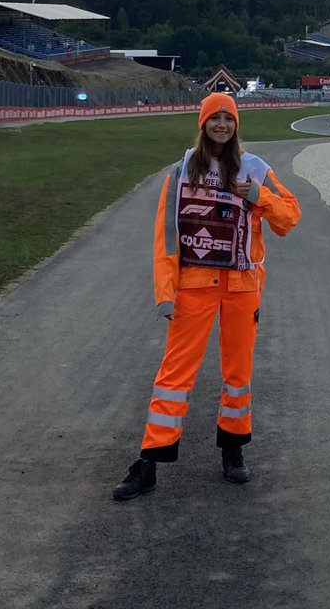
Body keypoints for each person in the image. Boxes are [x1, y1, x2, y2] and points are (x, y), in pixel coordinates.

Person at [113, 92, 301, 501]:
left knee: (238, 374)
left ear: (236, 125)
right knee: (173, 376)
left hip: (242, 288)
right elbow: (166, 234)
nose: (221, 124)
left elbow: (290, 217)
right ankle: (148, 462)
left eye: (228, 118)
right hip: (194, 286)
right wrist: (166, 291)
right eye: (214, 118)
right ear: (202, 123)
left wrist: (256, 195)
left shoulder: (255, 168)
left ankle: (233, 450)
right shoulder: (181, 169)